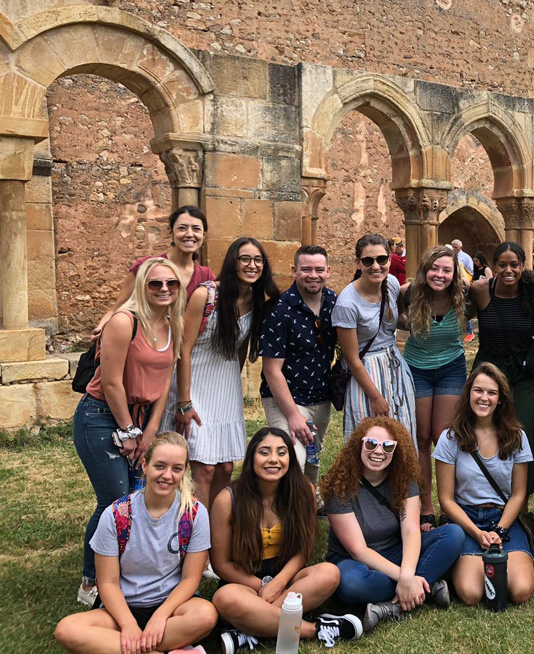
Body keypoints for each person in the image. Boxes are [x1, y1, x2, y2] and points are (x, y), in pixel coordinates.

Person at [73, 258, 185, 607]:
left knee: (137, 498)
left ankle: (121, 571)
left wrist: (150, 432)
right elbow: (110, 382)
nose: (164, 289)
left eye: (171, 283)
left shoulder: (172, 324)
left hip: (139, 419)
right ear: (142, 286)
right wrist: (130, 431)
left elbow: (166, 381)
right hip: (102, 416)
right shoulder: (124, 322)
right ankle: (91, 581)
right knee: (114, 501)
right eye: (155, 284)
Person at [55, 432, 216, 654]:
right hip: (122, 607)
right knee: (67, 629)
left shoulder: (194, 514)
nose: (167, 475)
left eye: (176, 469)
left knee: (206, 615)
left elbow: (191, 579)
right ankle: (163, 649)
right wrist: (128, 624)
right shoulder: (116, 514)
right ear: (145, 465)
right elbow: (108, 582)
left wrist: (160, 616)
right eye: (159, 466)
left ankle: (128, 646)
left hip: (172, 607)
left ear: (185, 470)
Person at [210, 428, 361, 651]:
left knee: (329, 573)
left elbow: (303, 550)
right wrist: (262, 586)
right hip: (243, 583)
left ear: (290, 457)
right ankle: (316, 629)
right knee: (225, 598)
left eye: (281, 452)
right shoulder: (227, 499)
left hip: (287, 579)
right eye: (264, 452)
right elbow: (220, 564)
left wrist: (279, 584)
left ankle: (250, 627)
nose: (273, 459)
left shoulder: (304, 492)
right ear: (252, 458)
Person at [161, 238, 280, 510]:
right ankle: (199, 543)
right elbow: (184, 349)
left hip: (225, 386)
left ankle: (216, 531)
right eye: (244, 259)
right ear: (232, 262)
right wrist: (184, 401)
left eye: (258, 260)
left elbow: (239, 350)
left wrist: (233, 388)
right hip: (195, 382)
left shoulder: (256, 299)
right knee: (204, 471)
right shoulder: (207, 295)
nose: (252, 265)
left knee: (225, 469)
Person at [321, 417, 465, 632]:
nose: (378, 451)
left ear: (396, 451)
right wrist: (406, 577)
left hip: (396, 551)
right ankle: (425, 587)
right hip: (355, 562)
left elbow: (411, 531)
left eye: (388, 446)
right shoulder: (340, 487)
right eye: (371, 444)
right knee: (350, 585)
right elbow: (358, 550)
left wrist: (407, 574)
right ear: (359, 444)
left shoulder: (404, 479)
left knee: (453, 534)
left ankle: (391, 605)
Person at [433, 363, 534, 605]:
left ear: (501, 399)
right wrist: (476, 533)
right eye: (478, 390)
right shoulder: (450, 438)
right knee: (471, 594)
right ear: (468, 393)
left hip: (504, 519)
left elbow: (519, 494)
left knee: (520, 591)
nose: (484, 398)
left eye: (492, 393)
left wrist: (499, 531)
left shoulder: (516, 437)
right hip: (465, 520)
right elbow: (446, 499)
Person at [398, 246, 468, 530]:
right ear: (425, 269)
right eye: (434, 269)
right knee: (421, 438)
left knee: (446, 437)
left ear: (455, 274)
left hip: (451, 366)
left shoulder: (465, 296)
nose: (439, 275)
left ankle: (451, 503)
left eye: (446, 270)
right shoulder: (408, 294)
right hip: (416, 368)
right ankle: (426, 506)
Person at [258, 245, 336, 486]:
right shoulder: (279, 310)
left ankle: (309, 500)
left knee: (313, 457)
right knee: (292, 459)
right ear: (294, 271)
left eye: (319, 269)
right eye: (306, 269)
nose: (313, 275)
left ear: (328, 271)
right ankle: (280, 514)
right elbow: (272, 369)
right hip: (286, 399)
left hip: (321, 397)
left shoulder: (334, 301)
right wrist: (292, 415)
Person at [470, 242, 534, 488]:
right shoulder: (481, 289)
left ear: (523, 266)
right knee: (484, 429)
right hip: (488, 369)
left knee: (522, 432)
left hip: (523, 372)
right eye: (502, 265)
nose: (508, 270)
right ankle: (485, 490)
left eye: (514, 265)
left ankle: (521, 496)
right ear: (494, 266)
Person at [334, 234, 417, 445]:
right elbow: (352, 358)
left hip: (395, 366)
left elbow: (393, 320)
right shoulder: (347, 303)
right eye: (368, 261)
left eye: (382, 259)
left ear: (389, 259)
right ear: (358, 263)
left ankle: (403, 478)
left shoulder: (390, 283)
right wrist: (376, 397)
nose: (376, 266)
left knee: (402, 433)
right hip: (366, 373)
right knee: (369, 436)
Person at [92, 206, 213, 340]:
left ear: (203, 235)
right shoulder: (146, 267)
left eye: (196, 229)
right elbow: (120, 305)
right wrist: (101, 328)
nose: (189, 234)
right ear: (171, 233)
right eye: (182, 228)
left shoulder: (206, 276)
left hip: (186, 350)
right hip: (147, 345)